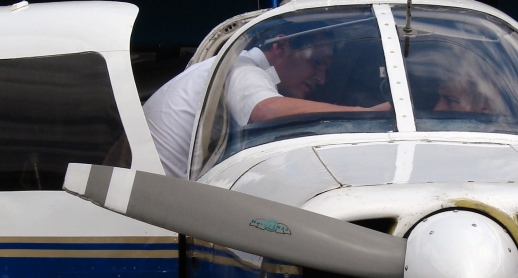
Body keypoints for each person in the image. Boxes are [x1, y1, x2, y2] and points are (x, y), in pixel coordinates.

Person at [143, 32, 388, 179]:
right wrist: (365, 114)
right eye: (316, 63)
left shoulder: (228, 67)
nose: (322, 79)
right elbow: (267, 111)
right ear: (280, 46)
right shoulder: (242, 69)